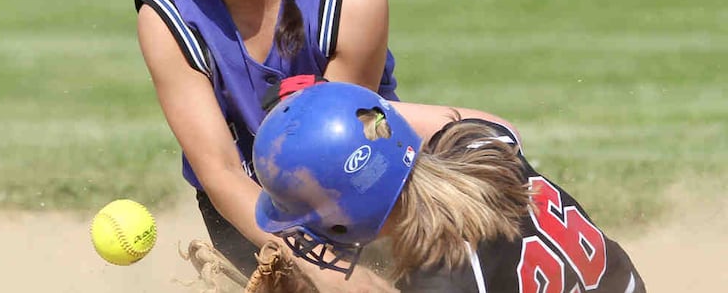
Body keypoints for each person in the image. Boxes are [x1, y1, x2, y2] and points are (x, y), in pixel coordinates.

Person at [133, 0, 398, 287]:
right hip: (249, 204)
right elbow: (219, 171)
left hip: (363, 179)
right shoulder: (165, 16)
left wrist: (342, 271)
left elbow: (340, 154)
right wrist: (309, 262)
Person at [253, 82, 647, 292]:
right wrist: (344, 108)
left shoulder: (439, 278)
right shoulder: (477, 146)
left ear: (353, 210)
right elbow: (493, 125)